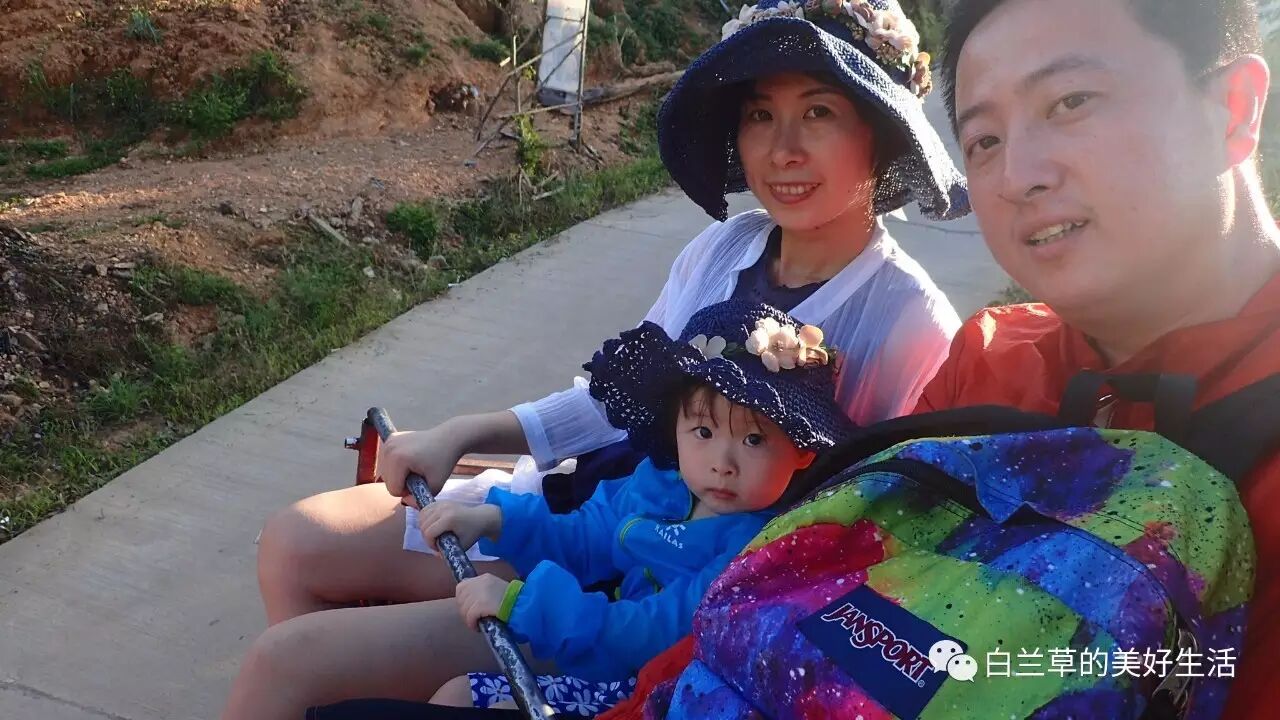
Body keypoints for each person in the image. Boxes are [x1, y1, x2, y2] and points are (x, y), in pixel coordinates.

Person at [226, 0, 968, 714]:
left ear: (881, 131)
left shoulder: (909, 322)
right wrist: (463, 434)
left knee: (288, 664)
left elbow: (852, 540)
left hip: (649, 606)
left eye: (819, 112)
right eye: (759, 114)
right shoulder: (726, 246)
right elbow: (616, 402)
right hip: (596, 513)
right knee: (294, 544)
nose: (783, 150)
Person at [587, 0, 1280, 717]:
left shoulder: (918, 329)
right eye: (984, 139)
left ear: (1233, 109)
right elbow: (792, 589)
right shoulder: (987, 364)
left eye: (1071, 101)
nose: (1017, 175)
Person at [421, 300, 852, 713]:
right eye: (703, 432)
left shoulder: (759, 549)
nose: (722, 463)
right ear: (675, 426)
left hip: (661, 693)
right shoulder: (661, 481)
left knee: (460, 697)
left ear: (803, 451)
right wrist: (497, 520)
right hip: (603, 642)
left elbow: (657, 630)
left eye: (753, 440)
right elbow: (589, 533)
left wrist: (529, 606)